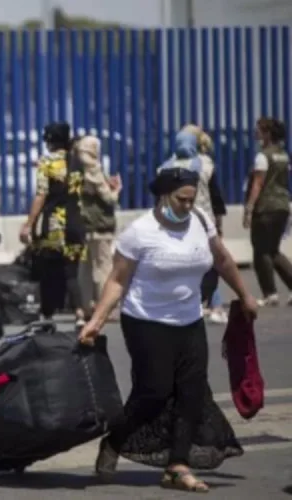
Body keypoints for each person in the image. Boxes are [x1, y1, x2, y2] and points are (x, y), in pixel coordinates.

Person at [79, 167, 258, 493]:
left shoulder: (201, 221)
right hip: (146, 321)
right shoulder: (140, 232)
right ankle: (114, 441)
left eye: (191, 200)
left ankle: (177, 466)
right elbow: (117, 280)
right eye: (181, 200)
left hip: (189, 320)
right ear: (164, 195)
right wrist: (97, 320)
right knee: (155, 391)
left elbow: (223, 260)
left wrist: (245, 295)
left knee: (191, 392)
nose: (187, 206)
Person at [20, 122, 86, 326]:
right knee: (72, 272)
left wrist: (29, 224)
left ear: (49, 141)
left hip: (56, 225)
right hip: (76, 223)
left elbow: (41, 195)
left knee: (48, 269)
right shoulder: (78, 162)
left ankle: (47, 313)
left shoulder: (47, 163)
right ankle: (80, 314)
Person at [162, 126, 229, 322]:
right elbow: (216, 197)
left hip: (176, 221)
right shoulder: (206, 164)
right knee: (211, 263)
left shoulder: (166, 166)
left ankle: (191, 303)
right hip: (203, 219)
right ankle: (215, 306)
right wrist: (219, 223)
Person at [243, 117, 292, 306]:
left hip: (266, 207)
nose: (256, 132)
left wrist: (249, 208)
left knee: (261, 251)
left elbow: (258, 183)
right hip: (282, 206)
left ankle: (269, 293)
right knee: (273, 250)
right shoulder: (283, 155)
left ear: (267, 134)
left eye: (259, 129)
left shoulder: (262, 156)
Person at [77, 135, 121, 314]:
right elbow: (109, 199)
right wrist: (116, 189)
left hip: (84, 224)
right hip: (100, 225)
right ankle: (106, 308)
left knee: (85, 268)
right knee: (104, 267)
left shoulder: (77, 169)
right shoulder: (94, 170)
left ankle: (86, 305)